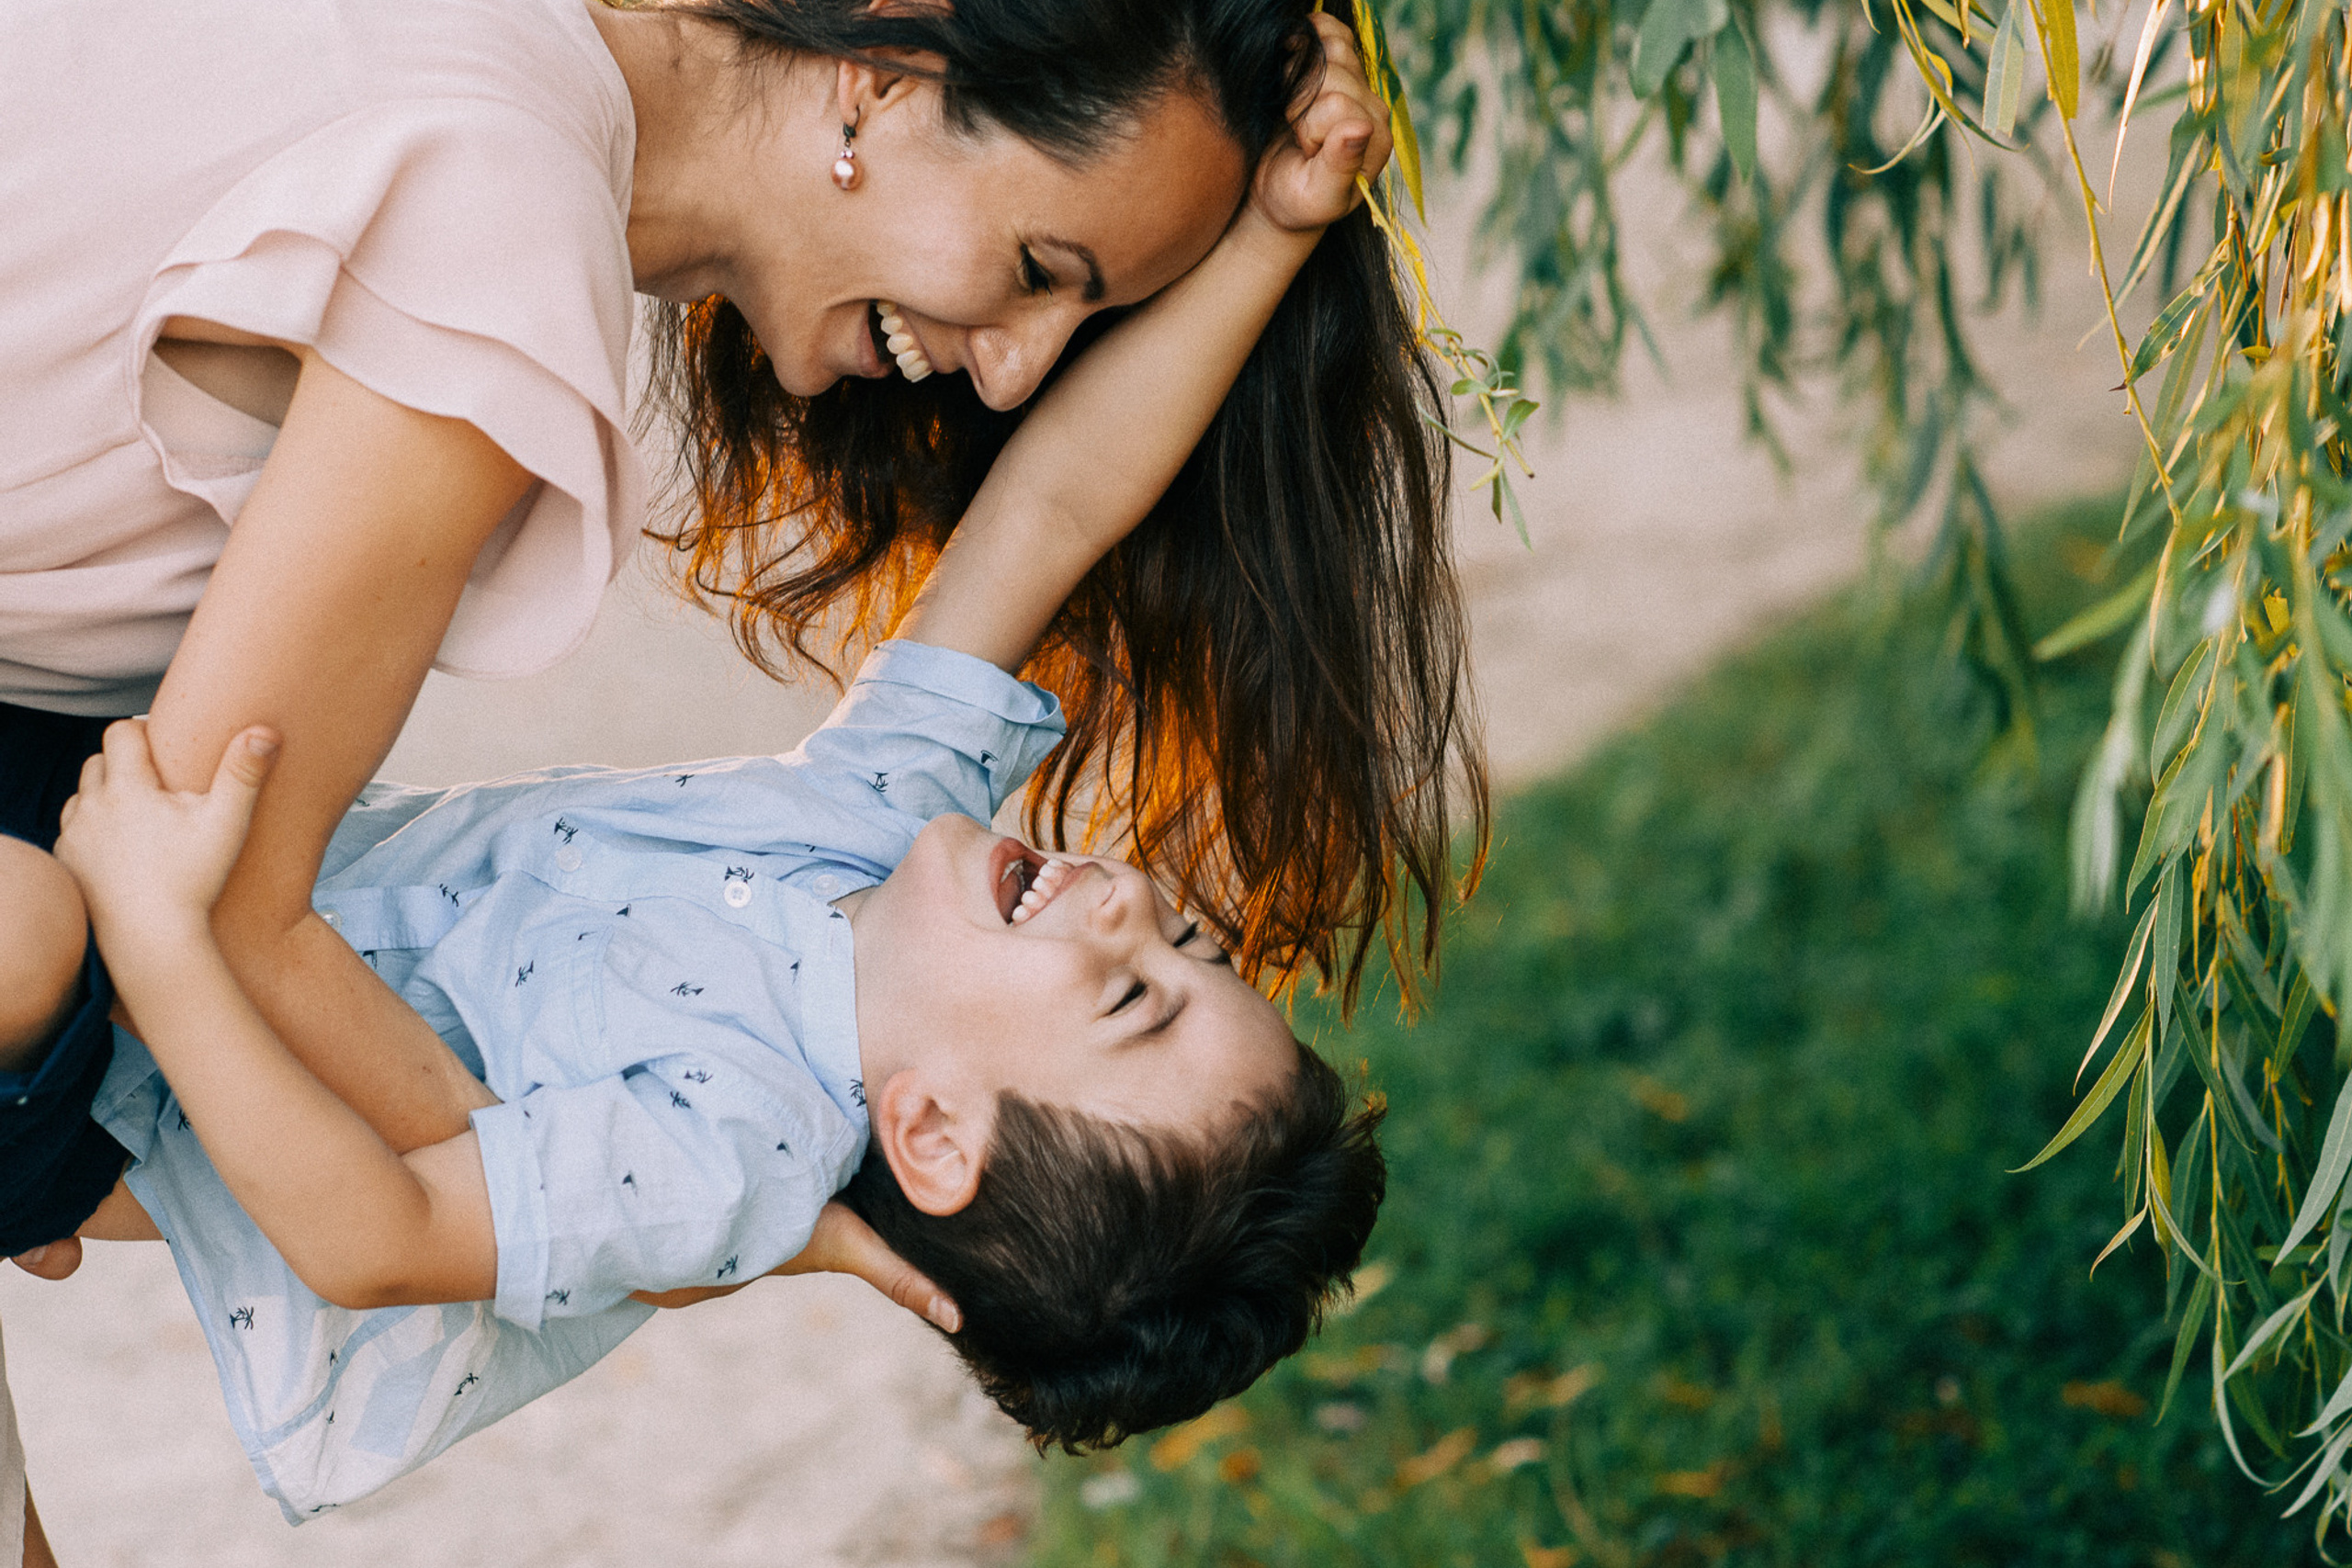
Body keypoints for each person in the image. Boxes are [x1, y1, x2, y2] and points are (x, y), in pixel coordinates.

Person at [45, 54, 1388, 1524]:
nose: (1133, 906)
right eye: (1189, 943)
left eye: (1129, 998)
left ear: (937, 1133)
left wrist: (163, 944)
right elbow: (1058, 505)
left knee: (22, 927)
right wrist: (1273, 234)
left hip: (107, 1076)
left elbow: (380, 1239)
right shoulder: (878, 830)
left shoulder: (740, 1149)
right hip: (150, 851)